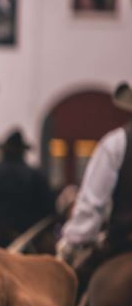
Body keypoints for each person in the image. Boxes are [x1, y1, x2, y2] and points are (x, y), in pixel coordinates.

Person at [56, 82, 132, 273]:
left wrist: (73, 241)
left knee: (76, 291)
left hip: (123, 244)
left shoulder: (116, 143)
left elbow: (92, 205)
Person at [0, 129, 55, 248]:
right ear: (23, 152)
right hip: (25, 242)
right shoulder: (35, 176)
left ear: (4, 151)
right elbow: (49, 209)